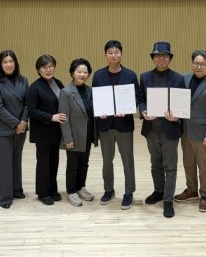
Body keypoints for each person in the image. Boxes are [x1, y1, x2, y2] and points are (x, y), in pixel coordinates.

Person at [138, 41, 185, 219]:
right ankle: (158, 191)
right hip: (151, 128)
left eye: (164, 56)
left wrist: (177, 116)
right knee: (155, 164)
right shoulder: (145, 77)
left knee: (170, 166)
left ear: (170, 58)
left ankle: (168, 200)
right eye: (157, 56)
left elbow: (182, 103)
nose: (161, 59)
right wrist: (143, 110)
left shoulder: (178, 78)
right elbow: (141, 98)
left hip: (170, 128)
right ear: (153, 58)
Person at [91, 40, 139, 210]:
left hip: (124, 124)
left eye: (116, 52)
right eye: (110, 52)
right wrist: (99, 111)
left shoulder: (130, 75)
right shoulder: (98, 75)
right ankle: (108, 190)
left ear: (121, 54)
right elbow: (95, 98)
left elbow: (136, 98)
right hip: (105, 124)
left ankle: (129, 192)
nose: (113, 55)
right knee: (107, 161)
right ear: (105, 55)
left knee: (128, 160)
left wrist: (128, 110)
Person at [174, 50, 206, 213]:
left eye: (203, 64)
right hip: (185, 130)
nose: (199, 67)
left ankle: (205, 195)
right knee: (188, 163)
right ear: (192, 64)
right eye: (196, 63)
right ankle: (191, 189)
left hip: (203, 134)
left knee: (203, 166)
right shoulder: (185, 78)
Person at [0, 50, 29, 209]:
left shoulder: (24, 80)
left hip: (21, 128)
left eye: (11, 61)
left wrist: (24, 121)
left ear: (15, 63)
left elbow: (28, 103)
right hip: (3, 130)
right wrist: (16, 124)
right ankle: (5, 197)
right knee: (6, 163)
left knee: (16, 160)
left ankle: (17, 190)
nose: (8, 64)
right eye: (5, 62)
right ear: (0, 65)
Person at [59, 58, 99, 207]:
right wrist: (68, 139)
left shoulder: (89, 90)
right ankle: (71, 191)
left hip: (88, 134)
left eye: (85, 72)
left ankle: (81, 187)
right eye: (79, 71)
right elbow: (63, 118)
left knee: (84, 163)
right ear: (72, 73)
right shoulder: (66, 92)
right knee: (73, 165)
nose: (82, 74)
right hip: (74, 136)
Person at [27, 54, 65, 205]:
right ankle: (43, 193)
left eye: (50, 66)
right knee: (43, 164)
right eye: (44, 67)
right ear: (38, 70)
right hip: (42, 132)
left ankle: (52, 190)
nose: (48, 70)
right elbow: (31, 110)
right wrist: (51, 117)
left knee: (54, 162)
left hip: (56, 131)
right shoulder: (34, 87)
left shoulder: (58, 83)